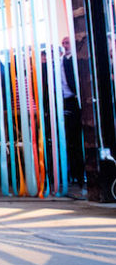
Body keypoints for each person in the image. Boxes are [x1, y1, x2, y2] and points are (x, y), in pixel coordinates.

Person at [60, 36, 84, 185]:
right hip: (64, 101)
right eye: (63, 43)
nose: (64, 45)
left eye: (67, 42)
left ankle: (81, 175)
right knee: (69, 139)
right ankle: (72, 173)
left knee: (77, 138)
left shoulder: (75, 60)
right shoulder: (61, 61)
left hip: (76, 100)